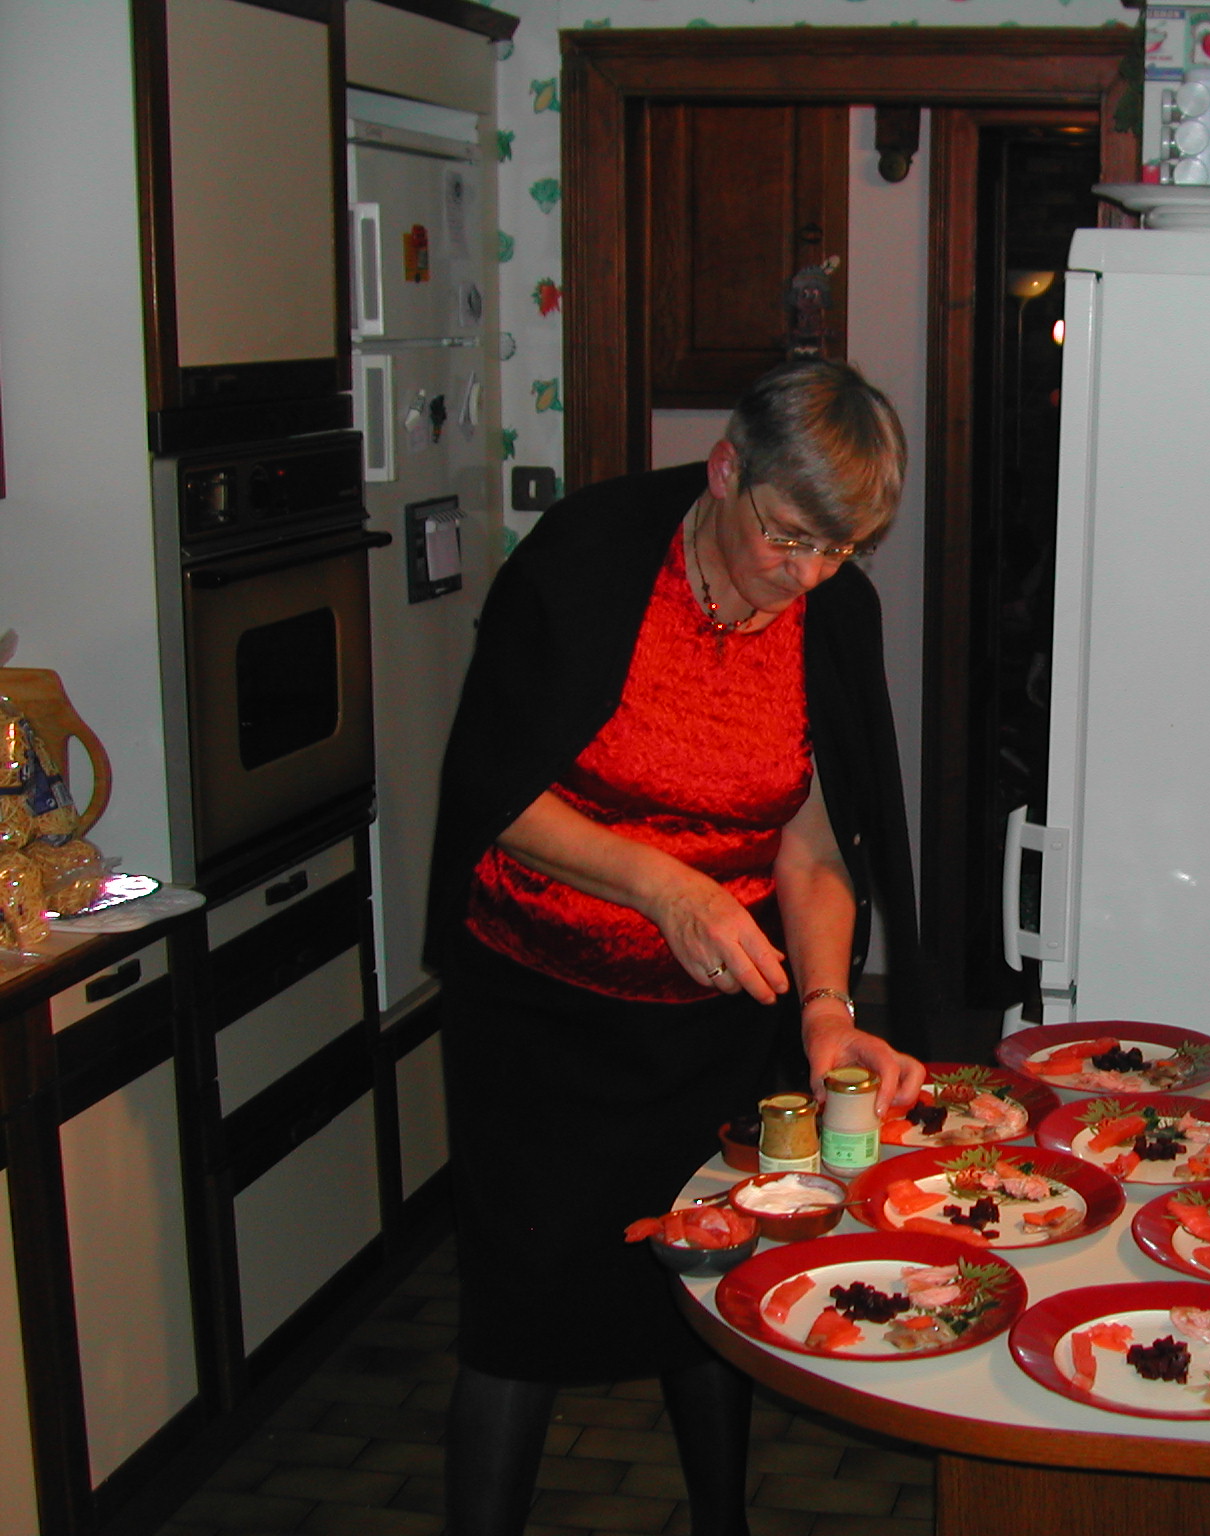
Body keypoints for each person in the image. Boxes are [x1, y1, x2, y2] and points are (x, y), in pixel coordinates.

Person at [423, 360, 929, 1536]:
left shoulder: (828, 613)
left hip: (709, 1034)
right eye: (788, 537)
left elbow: (812, 846)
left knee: (713, 1297)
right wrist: (666, 888)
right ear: (723, 472)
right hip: (538, 1018)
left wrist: (822, 1008)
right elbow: (494, 790)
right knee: (520, 1319)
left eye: (841, 549)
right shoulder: (588, 563)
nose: (808, 575)